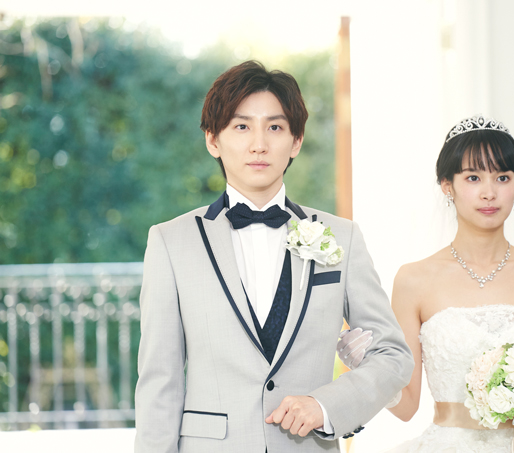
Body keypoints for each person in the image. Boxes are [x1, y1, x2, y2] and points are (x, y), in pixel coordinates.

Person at [134, 60, 414, 453]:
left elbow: (394, 356)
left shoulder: (342, 238)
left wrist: (326, 406)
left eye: (275, 127)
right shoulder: (171, 242)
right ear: (213, 139)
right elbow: (159, 382)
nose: (259, 144)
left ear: (296, 141)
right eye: (241, 126)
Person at [339, 115, 514, 452]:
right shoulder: (413, 281)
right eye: (473, 177)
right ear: (447, 186)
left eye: (502, 178)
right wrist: (371, 368)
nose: (489, 193)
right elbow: (407, 407)